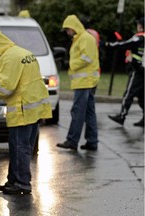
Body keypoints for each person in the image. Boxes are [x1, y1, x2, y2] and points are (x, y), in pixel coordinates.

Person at [0, 30, 52, 194]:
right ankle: (13, 180)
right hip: (33, 108)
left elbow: (7, 88)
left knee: (20, 148)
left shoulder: (9, 58)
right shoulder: (23, 52)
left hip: (22, 110)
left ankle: (22, 183)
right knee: (20, 147)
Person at [57, 14, 100, 151]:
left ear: (74, 27)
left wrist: (71, 64)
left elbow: (86, 58)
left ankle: (72, 141)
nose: (67, 32)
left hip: (84, 82)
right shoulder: (83, 38)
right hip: (87, 81)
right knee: (89, 112)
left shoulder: (84, 38)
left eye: (68, 29)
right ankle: (92, 141)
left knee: (78, 111)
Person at [107, 18, 144, 127]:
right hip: (142, 69)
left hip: (137, 69)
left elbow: (126, 45)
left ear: (141, 26)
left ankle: (122, 116)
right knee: (142, 96)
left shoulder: (139, 37)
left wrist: (108, 45)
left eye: (138, 25)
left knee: (129, 93)